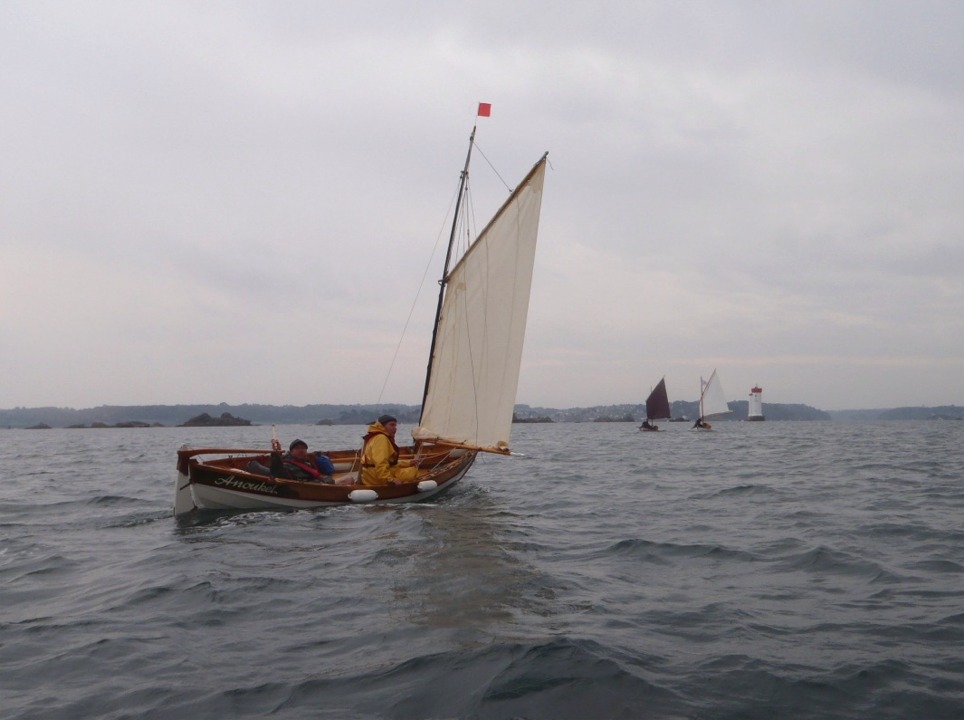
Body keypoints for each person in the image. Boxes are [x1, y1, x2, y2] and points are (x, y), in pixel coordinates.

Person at [360, 415, 419, 486]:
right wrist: (390, 479)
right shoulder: (381, 438)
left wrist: (408, 462)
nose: (395, 428)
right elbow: (380, 462)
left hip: (371, 476)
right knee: (413, 472)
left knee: (409, 469)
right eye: (392, 425)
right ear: (382, 426)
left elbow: (389, 462)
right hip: (378, 479)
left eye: (395, 425)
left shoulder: (375, 437)